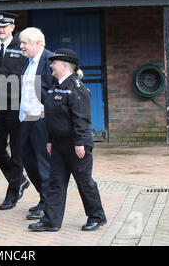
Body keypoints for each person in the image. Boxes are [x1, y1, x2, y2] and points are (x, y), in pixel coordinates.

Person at [28, 48, 107, 232]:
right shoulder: (56, 87)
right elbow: (51, 116)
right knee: (55, 182)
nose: (51, 65)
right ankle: (51, 221)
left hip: (75, 145)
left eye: (54, 63)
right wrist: (49, 140)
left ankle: (97, 216)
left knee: (84, 182)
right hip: (58, 144)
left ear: (64, 66)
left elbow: (82, 119)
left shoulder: (77, 89)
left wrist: (79, 142)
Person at [0, 11, 30, 210]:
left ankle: (12, 193)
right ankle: (19, 179)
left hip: (17, 106)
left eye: (4, 26)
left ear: (12, 27)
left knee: (18, 151)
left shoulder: (21, 46)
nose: (0, 29)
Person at [18, 27, 55, 220]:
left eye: (25, 43)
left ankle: (48, 204)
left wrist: (47, 110)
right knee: (28, 160)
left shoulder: (50, 60)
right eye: (21, 42)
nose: (21, 46)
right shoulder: (28, 62)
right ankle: (44, 197)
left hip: (41, 119)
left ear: (38, 44)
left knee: (42, 162)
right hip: (26, 118)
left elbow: (57, 89)